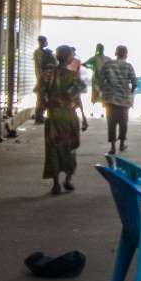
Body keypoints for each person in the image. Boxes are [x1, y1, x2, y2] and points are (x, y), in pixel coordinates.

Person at [42, 44, 85, 194]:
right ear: (67, 58)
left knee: (53, 149)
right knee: (70, 148)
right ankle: (67, 180)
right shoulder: (73, 76)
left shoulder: (47, 75)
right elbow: (77, 98)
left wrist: (47, 106)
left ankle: (55, 184)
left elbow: (41, 95)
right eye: (71, 55)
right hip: (68, 117)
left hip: (53, 116)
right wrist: (84, 117)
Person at [96, 45, 137, 155]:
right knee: (123, 123)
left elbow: (100, 80)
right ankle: (122, 144)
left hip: (110, 99)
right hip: (124, 100)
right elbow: (134, 82)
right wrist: (130, 93)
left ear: (115, 53)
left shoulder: (108, 64)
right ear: (126, 54)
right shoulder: (128, 66)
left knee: (111, 123)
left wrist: (105, 90)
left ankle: (113, 147)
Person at [32, 35, 55, 123]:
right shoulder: (39, 52)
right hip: (42, 78)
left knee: (43, 97)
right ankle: (39, 117)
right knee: (42, 98)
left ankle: (40, 116)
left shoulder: (42, 52)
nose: (46, 43)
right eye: (45, 41)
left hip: (43, 77)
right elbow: (41, 65)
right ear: (42, 42)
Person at [84, 42, 108, 116]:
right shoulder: (106, 58)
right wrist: (92, 67)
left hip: (98, 79)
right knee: (102, 96)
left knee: (95, 96)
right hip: (104, 79)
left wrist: (92, 68)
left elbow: (84, 64)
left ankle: (95, 112)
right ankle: (102, 112)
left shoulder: (94, 58)